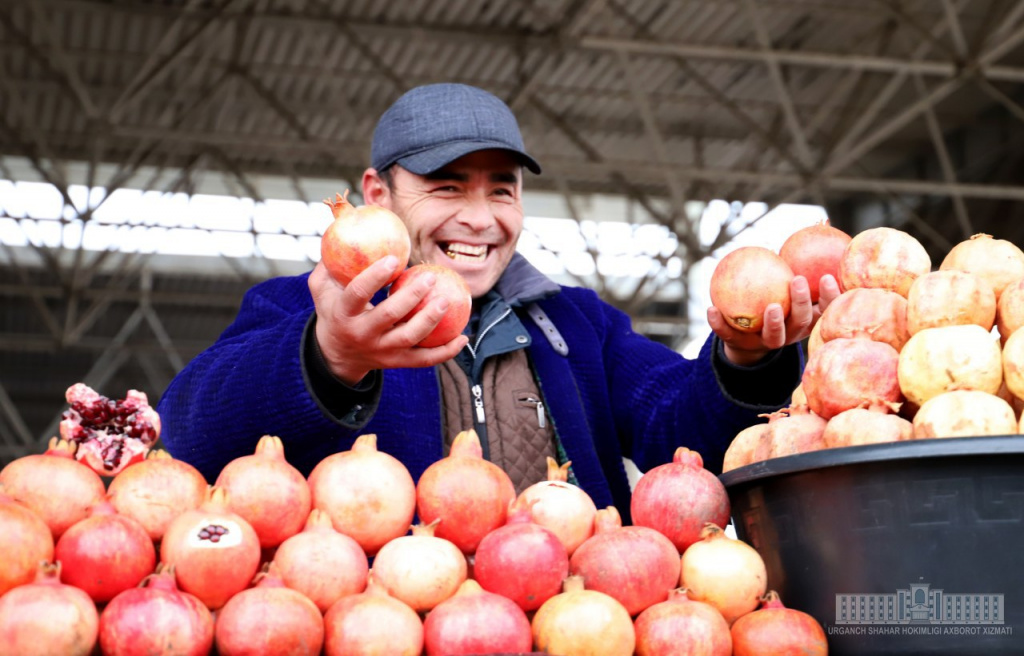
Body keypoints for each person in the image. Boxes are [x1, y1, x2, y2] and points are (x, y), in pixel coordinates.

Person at [158, 83, 837, 521]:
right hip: (389, 626)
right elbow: (190, 432)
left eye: (502, 190)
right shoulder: (299, 312)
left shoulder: (578, 324)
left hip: (578, 623)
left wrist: (746, 360)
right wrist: (330, 355)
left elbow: (678, 428)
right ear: (377, 195)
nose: (480, 219)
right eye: (447, 187)